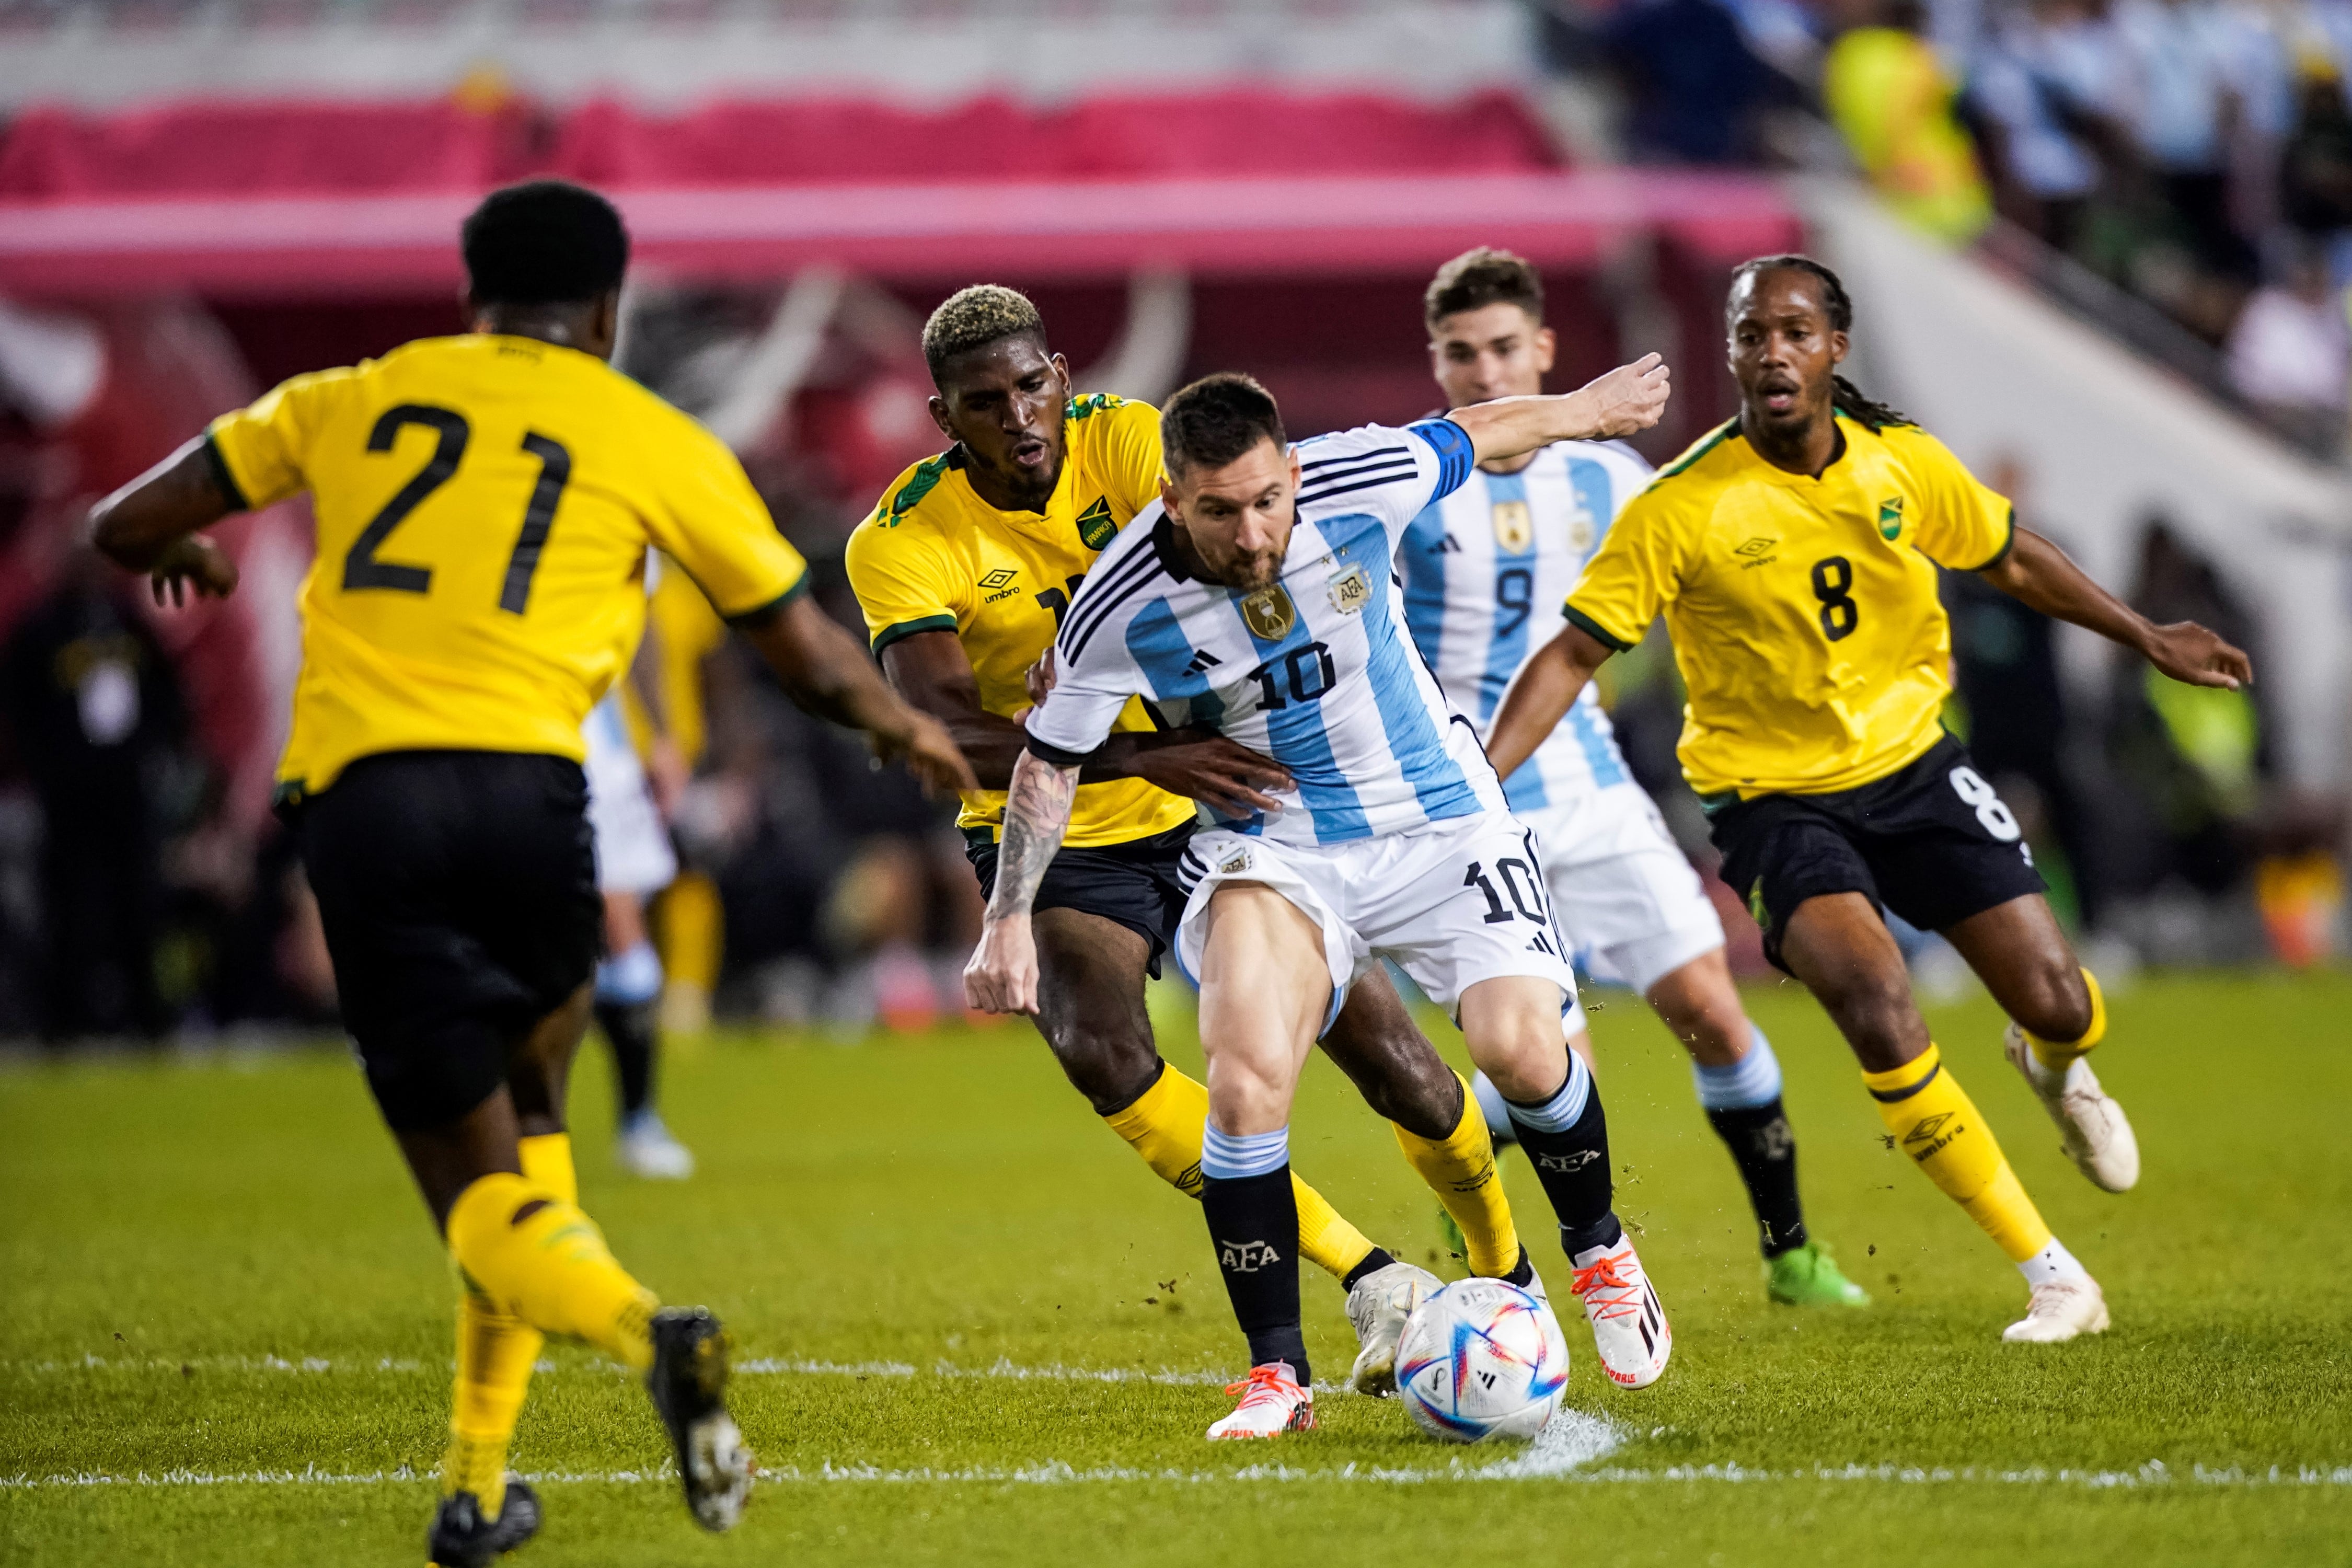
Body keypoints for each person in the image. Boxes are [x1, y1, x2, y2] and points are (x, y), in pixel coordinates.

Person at [88, 179, 973, 1565]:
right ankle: (476, 1486)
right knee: (527, 1138)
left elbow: (122, 524)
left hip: (373, 808)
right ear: (606, 312)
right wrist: (901, 725)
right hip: (534, 806)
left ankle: (640, 1333)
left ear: (471, 296)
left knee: (477, 1191)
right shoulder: (644, 430)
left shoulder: (350, 395)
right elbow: (789, 637)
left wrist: (187, 551)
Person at [1485, 255, 2251, 1342]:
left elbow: (2013, 558)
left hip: (1914, 767)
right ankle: (2054, 1276)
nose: (1773, 354)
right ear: (1735, 353)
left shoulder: (1902, 464)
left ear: (1836, 348)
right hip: (1773, 797)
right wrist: (1480, 777)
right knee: (1879, 1001)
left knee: (2061, 1000)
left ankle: (2051, 1060)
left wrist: (2146, 635)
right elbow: (1572, 652)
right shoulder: (1683, 505)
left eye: (1796, 332)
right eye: (1752, 336)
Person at [966, 357, 1678, 1440]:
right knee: (1247, 1080)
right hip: (1279, 849)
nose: (1252, 535)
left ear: (1293, 475)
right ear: (1171, 500)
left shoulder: (1359, 478)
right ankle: (1276, 1378)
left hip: (1441, 817)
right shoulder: (1114, 607)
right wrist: (1009, 915)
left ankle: (1600, 1254)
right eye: (1218, 512)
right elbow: (1048, 762)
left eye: (1266, 501)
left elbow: (1475, 429)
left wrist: (1588, 411)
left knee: (1520, 1051)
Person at [845, 285, 1521, 1397]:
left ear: (1063, 377)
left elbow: (1265, 533)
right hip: (1074, 833)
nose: (1017, 417)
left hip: (1238, 803)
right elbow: (949, 730)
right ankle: (1375, 1278)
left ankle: (1503, 1270)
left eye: (1031, 388)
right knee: (1099, 1048)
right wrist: (1140, 761)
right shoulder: (902, 541)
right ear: (942, 418)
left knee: (1402, 1073)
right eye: (984, 402)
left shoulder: (1130, 444)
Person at [1403, 247, 1865, 1308]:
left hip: (1594, 785)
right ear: (1437, 363)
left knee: (1713, 1008)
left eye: (1505, 349)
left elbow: (1705, 587)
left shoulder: (1613, 476)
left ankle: (1791, 1252)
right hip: (1469, 812)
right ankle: (1517, 1248)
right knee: (1558, 1062)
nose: (1485, 373)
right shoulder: (1411, 483)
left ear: (1548, 352)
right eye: (1462, 354)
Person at [581, 586, 696, 1178]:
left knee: (617, 916)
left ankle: (638, 1119)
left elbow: (641, 615)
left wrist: (661, 732)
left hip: (590, 734)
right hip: (495, 721)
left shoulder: (611, 500)